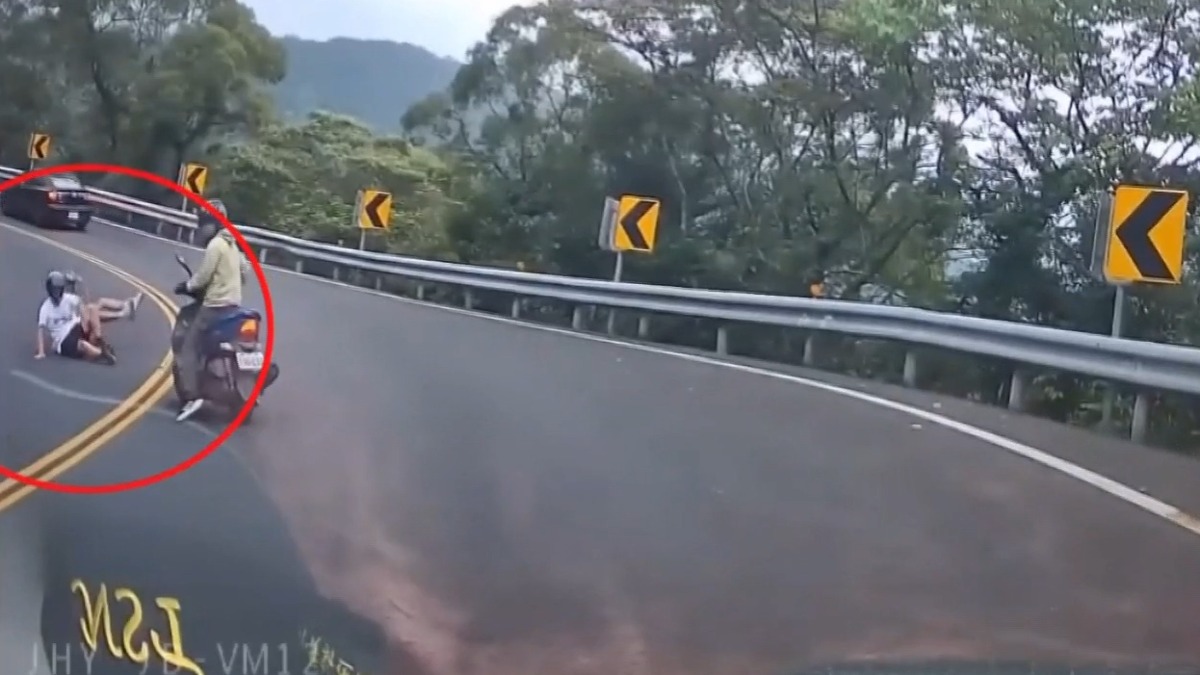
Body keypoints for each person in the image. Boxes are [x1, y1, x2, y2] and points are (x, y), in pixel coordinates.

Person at [173, 200, 244, 421]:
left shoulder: (216, 245)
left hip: (215, 305)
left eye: (204, 223)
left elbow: (203, 277)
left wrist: (187, 286)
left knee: (188, 347)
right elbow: (246, 270)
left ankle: (192, 395)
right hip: (234, 304)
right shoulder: (233, 244)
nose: (202, 228)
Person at [36, 271, 116, 364]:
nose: (57, 293)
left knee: (92, 308)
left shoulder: (68, 298)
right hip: (63, 339)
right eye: (55, 290)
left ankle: (99, 339)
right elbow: (40, 330)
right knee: (83, 345)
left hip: (75, 327)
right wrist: (41, 352)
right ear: (50, 289)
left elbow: (83, 302)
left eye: (59, 290)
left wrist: (79, 284)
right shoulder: (46, 307)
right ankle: (102, 354)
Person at [63, 270, 144, 322]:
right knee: (93, 311)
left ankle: (125, 304)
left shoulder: (72, 293)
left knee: (101, 301)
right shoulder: (65, 298)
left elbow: (86, 299)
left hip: (80, 310)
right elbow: (77, 311)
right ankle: (122, 314)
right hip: (76, 319)